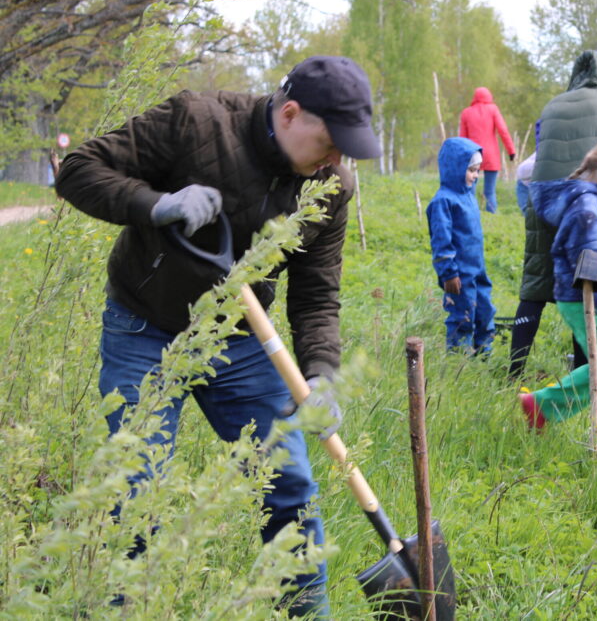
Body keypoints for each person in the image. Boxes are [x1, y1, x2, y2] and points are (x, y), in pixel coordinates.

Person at [55, 56, 380, 618]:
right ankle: (117, 610)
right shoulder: (196, 121)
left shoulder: (330, 187)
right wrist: (157, 205)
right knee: (135, 489)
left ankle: (307, 612)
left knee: (289, 484)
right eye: (330, 141)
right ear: (290, 112)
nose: (336, 158)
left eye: (346, 148)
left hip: (239, 338)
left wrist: (321, 375)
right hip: (145, 327)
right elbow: (79, 169)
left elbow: (316, 295)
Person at [509, 50, 597, 380]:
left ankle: (514, 371)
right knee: (587, 279)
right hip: (586, 198)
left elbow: (540, 143)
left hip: (542, 196)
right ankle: (583, 368)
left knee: (534, 284)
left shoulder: (553, 104)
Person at [518, 138, 597, 450]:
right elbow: (593, 258)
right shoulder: (588, 209)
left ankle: (541, 405)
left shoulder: (591, 200)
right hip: (587, 299)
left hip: (589, 297)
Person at [426, 136, 496, 354]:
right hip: (459, 275)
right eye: (471, 170)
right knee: (462, 318)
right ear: (455, 168)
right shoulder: (443, 201)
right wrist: (448, 273)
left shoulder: (469, 197)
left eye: (477, 171)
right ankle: (460, 364)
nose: (475, 176)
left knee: (485, 314)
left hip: (478, 270)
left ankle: (484, 358)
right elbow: (441, 240)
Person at [458, 87, 516, 213]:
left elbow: (462, 138)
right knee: (490, 192)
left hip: (473, 154)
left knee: (470, 189)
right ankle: (492, 218)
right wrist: (511, 151)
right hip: (491, 155)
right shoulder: (493, 110)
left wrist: (460, 157)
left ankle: (470, 215)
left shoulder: (466, 112)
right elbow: (503, 131)